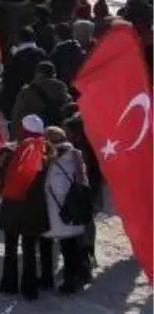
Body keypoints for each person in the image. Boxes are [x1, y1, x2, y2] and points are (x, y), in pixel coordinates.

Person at [0, 114, 52, 300]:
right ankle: (29, 287)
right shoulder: (47, 153)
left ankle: (8, 284)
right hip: (34, 208)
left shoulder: (13, 152)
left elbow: (0, 179)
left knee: (10, 246)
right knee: (29, 248)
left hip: (12, 205)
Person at [41, 126, 90, 295]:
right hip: (71, 211)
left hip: (60, 212)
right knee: (70, 246)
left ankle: (70, 281)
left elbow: (54, 186)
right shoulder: (75, 157)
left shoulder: (59, 160)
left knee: (67, 247)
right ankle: (78, 276)